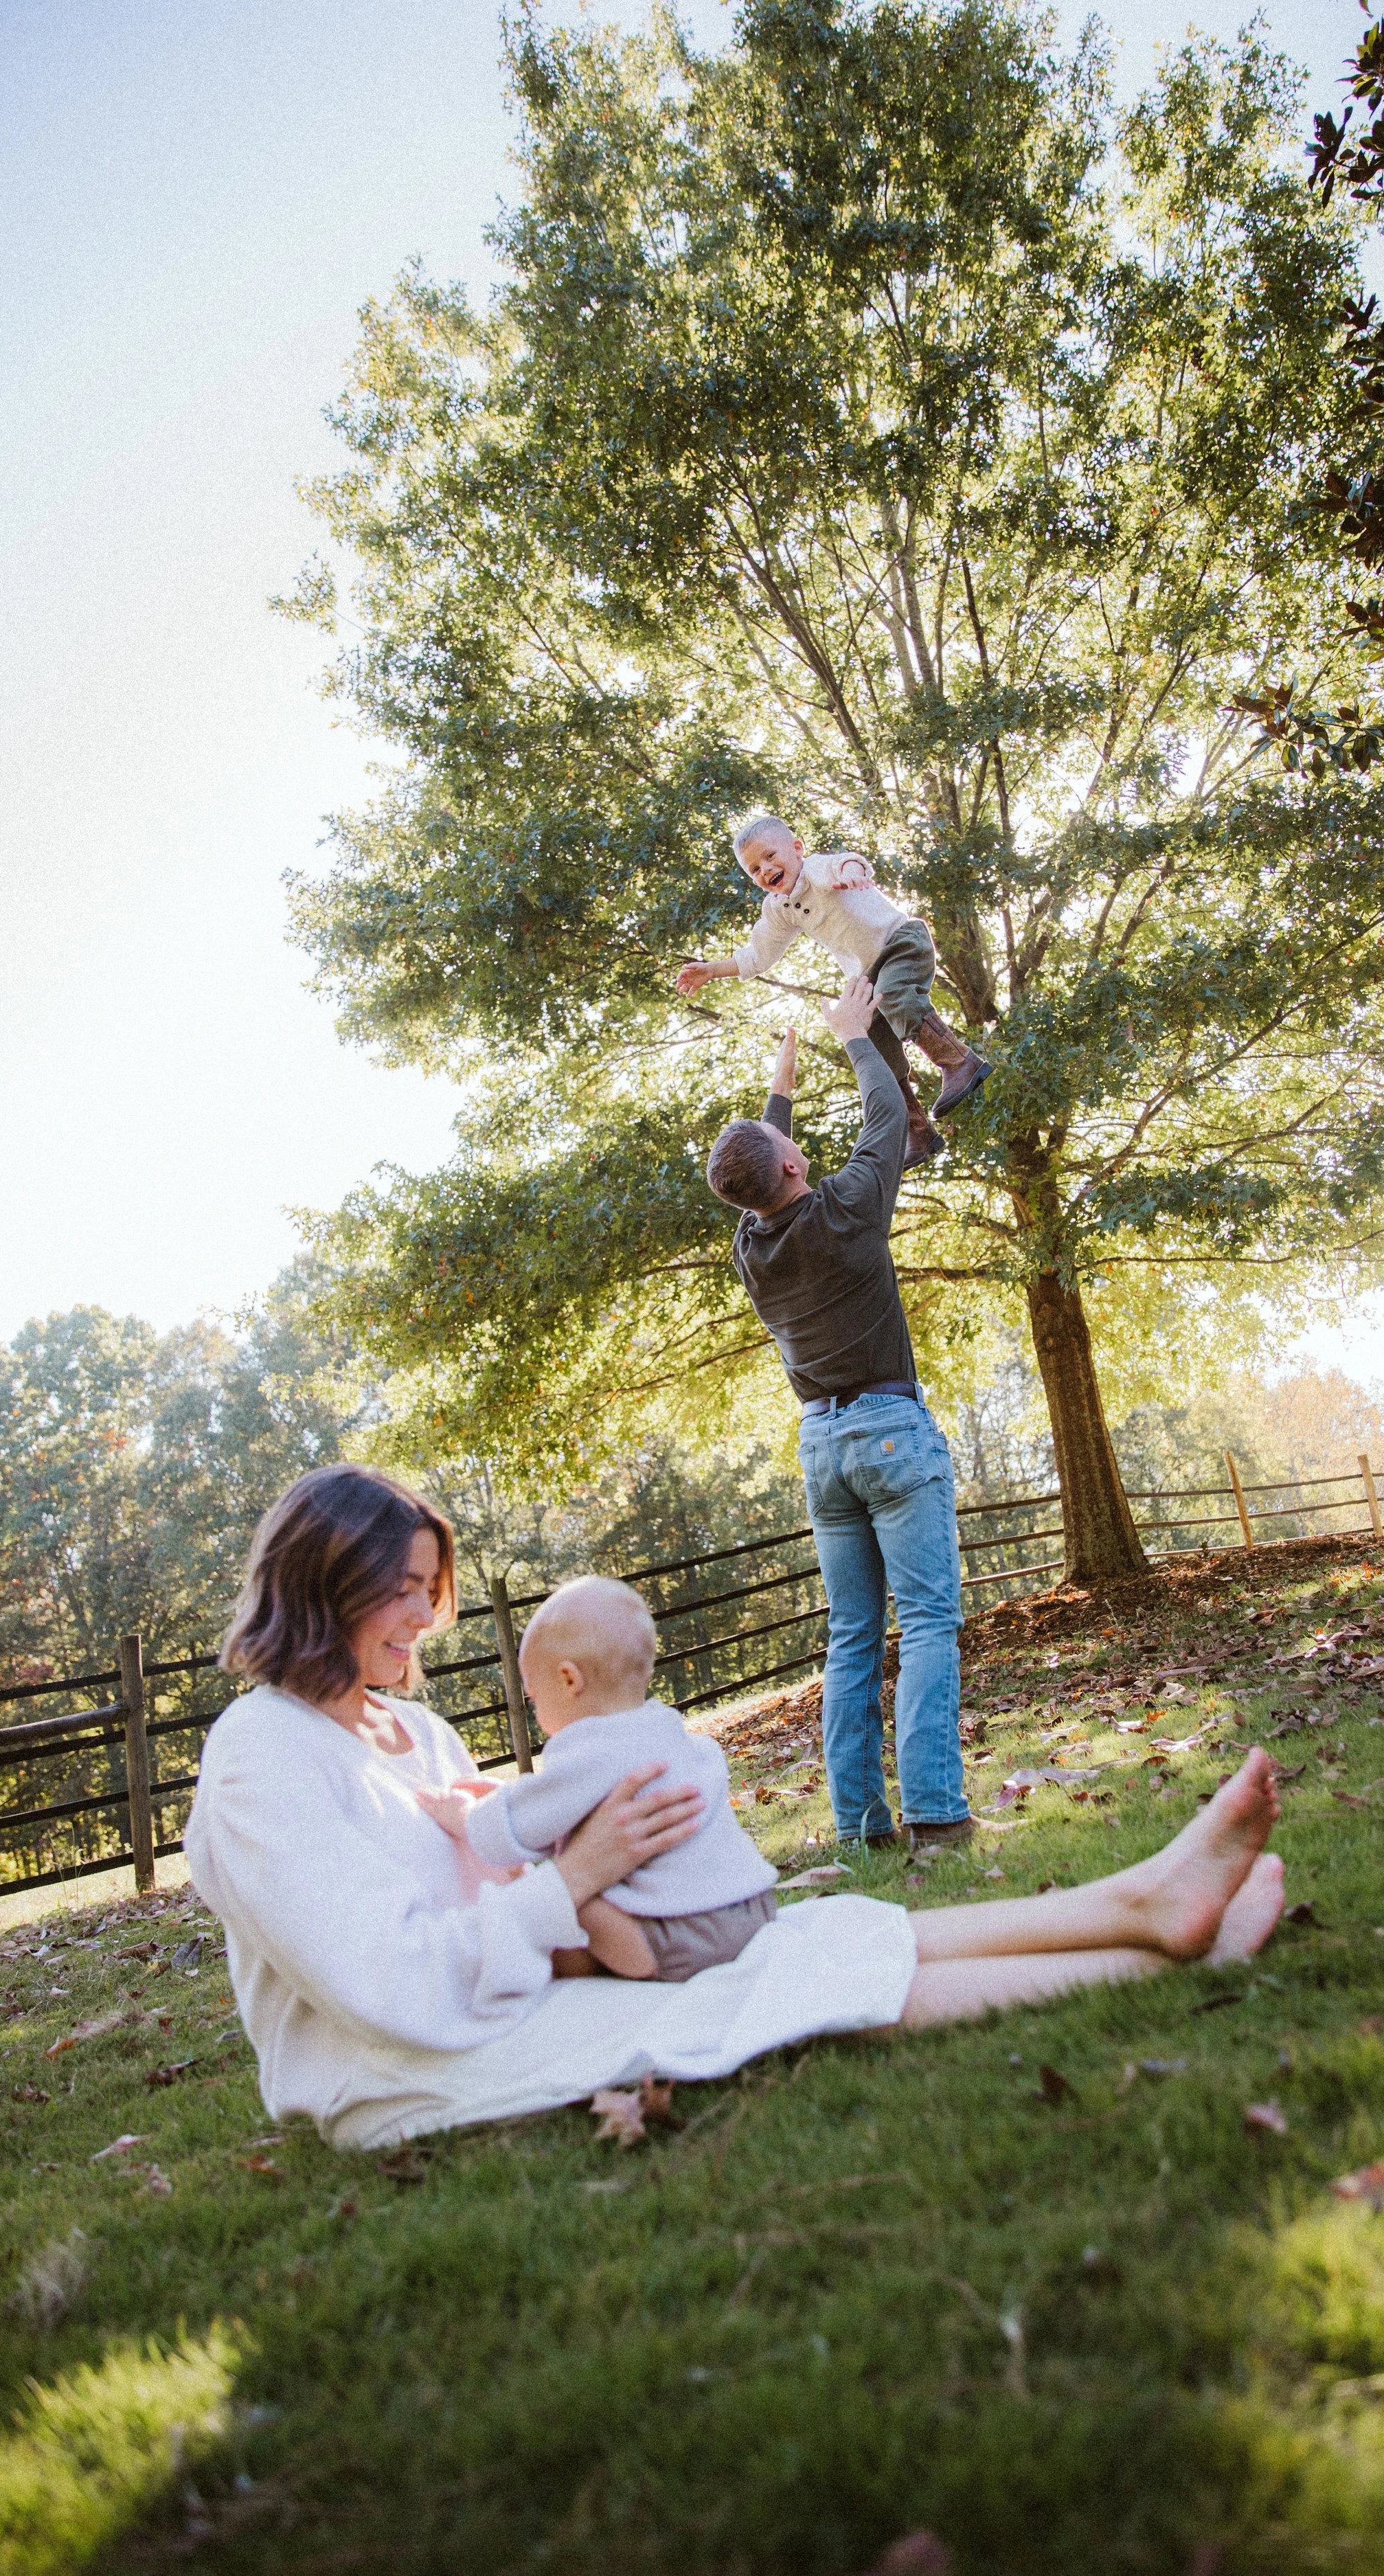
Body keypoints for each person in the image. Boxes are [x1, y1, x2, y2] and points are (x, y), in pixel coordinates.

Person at [184, 1463, 1286, 2151]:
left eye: (433, 1587)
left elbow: (506, 1886)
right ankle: (1160, 1948)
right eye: (403, 1588)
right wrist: (578, 1876)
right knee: (773, 1994)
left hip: (508, 1998)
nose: (426, 1614)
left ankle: (1144, 1899)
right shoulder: (259, 1760)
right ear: (324, 1579)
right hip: (400, 2070)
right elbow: (392, 1988)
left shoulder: (415, 1732)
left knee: (806, 1934)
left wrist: (591, 1883)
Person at [706, 988, 975, 1855]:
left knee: (852, 1638)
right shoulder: (849, 1207)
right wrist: (857, 1038)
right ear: (789, 1170)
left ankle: (865, 1831)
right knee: (928, 1622)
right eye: (791, 1143)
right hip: (892, 1434)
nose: (799, 1146)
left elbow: (757, 1173)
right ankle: (937, 1814)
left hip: (822, 1448)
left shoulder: (753, 1248)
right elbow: (887, 1108)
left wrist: (778, 1091)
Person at [414, 1573, 779, 1983]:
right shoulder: (675, 1736)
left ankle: (625, 1965)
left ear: (570, 1679)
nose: (535, 1713)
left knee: (564, 1895)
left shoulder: (589, 1751)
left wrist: (466, 1816)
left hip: (675, 1936)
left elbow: (509, 1833)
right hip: (754, 1906)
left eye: (533, 1697)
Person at [675, 813, 990, 1169]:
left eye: (770, 856)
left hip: (900, 942)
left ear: (797, 850)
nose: (765, 870)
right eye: (754, 870)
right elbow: (759, 956)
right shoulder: (779, 910)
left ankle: (960, 1061)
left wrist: (852, 871)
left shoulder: (816, 870)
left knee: (896, 993)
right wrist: (713, 970)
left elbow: (846, 862)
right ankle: (916, 1131)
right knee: (869, 1042)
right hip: (867, 975)